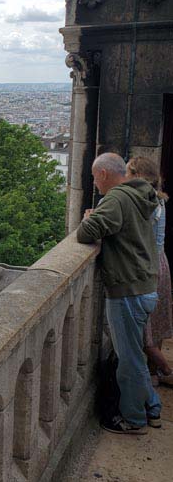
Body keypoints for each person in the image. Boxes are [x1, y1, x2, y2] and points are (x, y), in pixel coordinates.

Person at [76, 152, 161, 434]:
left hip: (127, 289)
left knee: (130, 359)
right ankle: (152, 406)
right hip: (144, 285)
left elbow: (86, 233)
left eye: (93, 177)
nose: (94, 183)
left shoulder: (116, 198)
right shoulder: (140, 195)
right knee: (135, 353)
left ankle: (134, 419)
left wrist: (91, 215)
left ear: (103, 174)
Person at [126, 156, 173, 386]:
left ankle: (165, 369)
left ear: (137, 175)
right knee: (157, 323)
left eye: (128, 173)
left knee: (144, 329)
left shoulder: (143, 202)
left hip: (148, 269)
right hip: (161, 264)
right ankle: (154, 371)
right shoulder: (160, 200)